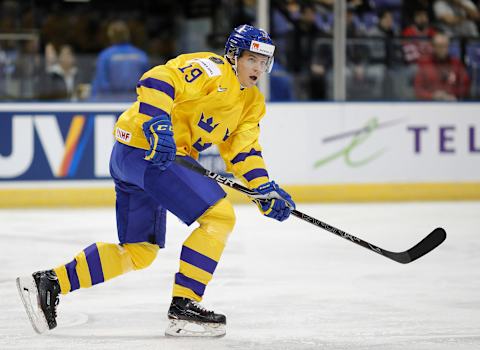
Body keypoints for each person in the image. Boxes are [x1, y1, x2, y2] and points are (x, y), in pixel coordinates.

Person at [16, 24, 296, 337]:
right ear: (233, 56)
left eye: (263, 62)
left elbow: (243, 150)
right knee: (219, 216)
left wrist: (262, 188)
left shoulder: (252, 102)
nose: (258, 68)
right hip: (148, 154)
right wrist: (159, 124)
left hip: (137, 158)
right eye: (251, 60)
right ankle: (185, 307)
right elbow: (156, 79)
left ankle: (50, 282)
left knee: (139, 252)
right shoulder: (211, 70)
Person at [90, 20, 149, 101]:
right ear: (127, 35)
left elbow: (101, 83)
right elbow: (148, 82)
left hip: (111, 102)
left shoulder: (105, 56)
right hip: (135, 102)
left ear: (111, 36)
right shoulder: (141, 55)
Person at [414, 32, 470, 100]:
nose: (443, 49)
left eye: (445, 46)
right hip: (430, 105)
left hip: (453, 104)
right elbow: (418, 89)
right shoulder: (424, 63)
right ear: (433, 46)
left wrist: (454, 95)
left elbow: (465, 85)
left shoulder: (456, 63)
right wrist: (432, 96)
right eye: (439, 46)